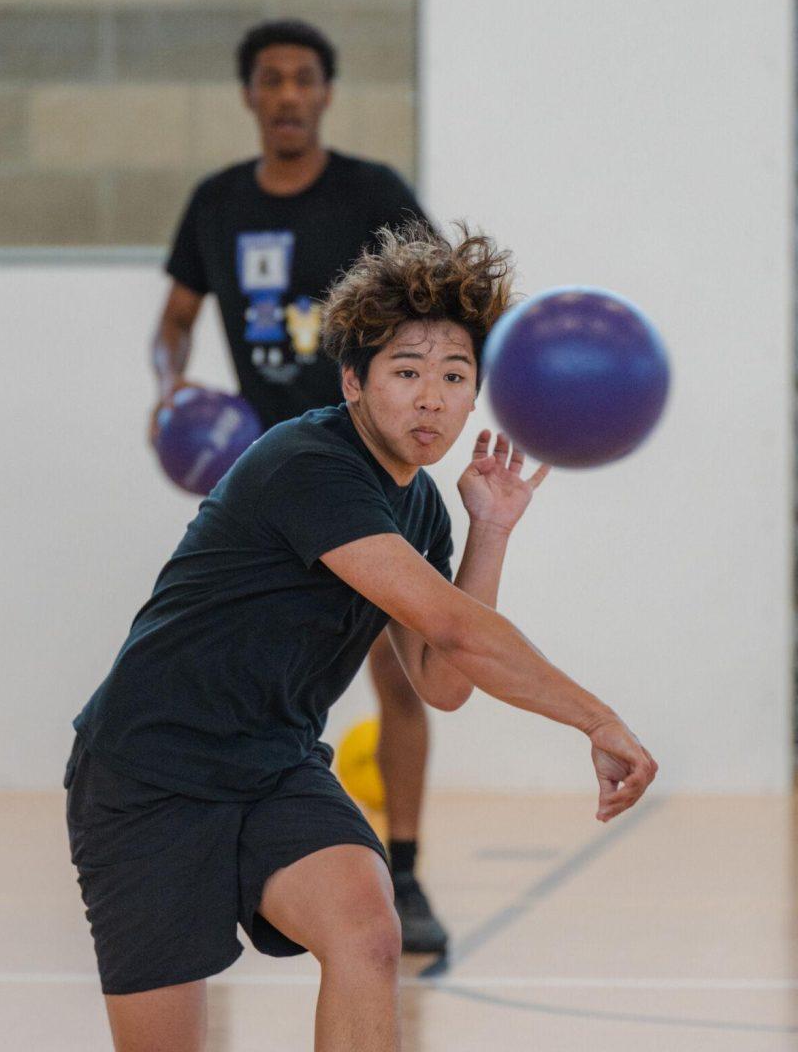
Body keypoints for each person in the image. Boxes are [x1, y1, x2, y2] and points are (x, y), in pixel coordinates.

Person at [68, 224, 658, 1052]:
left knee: (367, 930)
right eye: (407, 372)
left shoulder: (417, 505)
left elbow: (442, 681)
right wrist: (596, 716)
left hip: (272, 764)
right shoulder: (310, 464)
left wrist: (488, 530)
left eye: (455, 376)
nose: (432, 398)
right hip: (149, 770)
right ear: (354, 381)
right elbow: (457, 627)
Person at [149, 17, 444, 952]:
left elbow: (434, 299)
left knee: (403, 675)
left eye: (303, 78)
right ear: (249, 95)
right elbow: (174, 321)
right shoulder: (215, 203)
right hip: (269, 482)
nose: (285, 94)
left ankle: (403, 874)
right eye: (269, 79)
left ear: (324, 93)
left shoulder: (371, 193)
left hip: (367, 469)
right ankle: (228, 845)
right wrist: (172, 388)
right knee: (243, 668)